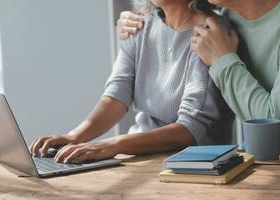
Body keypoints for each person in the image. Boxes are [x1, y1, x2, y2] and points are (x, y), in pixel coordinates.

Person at [30, 0, 234, 164]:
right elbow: (117, 94)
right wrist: (74, 136)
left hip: (194, 165)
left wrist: (113, 145)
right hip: (139, 156)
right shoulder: (140, 23)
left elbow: (189, 130)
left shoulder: (210, 32)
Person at [118, 0, 280, 150]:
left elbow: (277, 133)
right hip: (261, 162)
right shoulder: (224, 17)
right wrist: (133, 21)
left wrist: (223, 60)